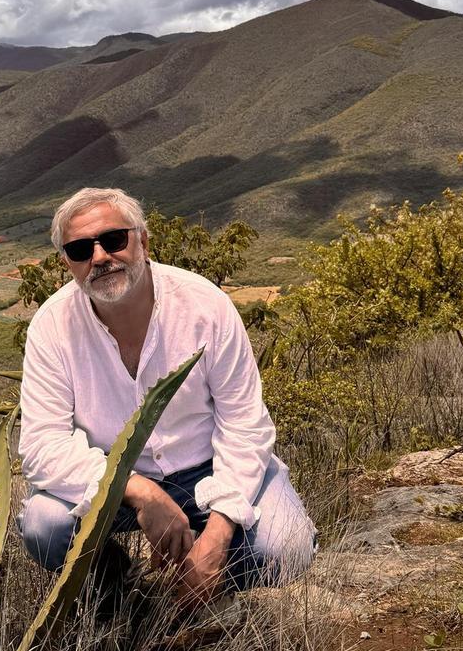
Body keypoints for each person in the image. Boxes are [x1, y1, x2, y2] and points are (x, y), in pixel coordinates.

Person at [18, 186, 316, 605]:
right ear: (67, 261)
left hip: (208, 467)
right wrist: (138, 489)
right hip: (116, 484)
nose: (100, 257)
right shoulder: (52, 328)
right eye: (81, 249)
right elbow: (40, 444)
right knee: (44, 527)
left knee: (286, 550)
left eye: (114, 240)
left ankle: (200, 586)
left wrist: (218, 532)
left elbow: (245, 424)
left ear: (143, 240)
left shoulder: (204, 307)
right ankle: (119, 593)